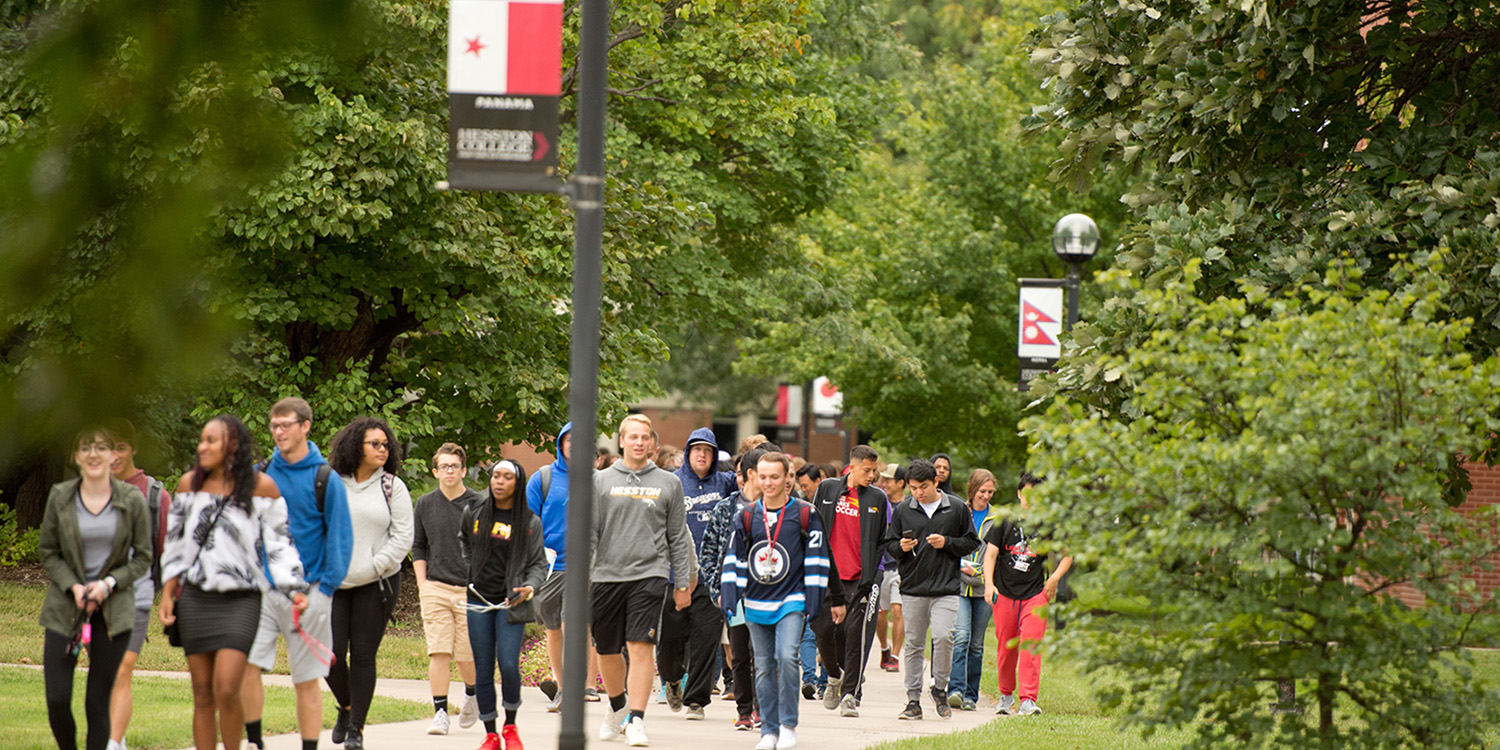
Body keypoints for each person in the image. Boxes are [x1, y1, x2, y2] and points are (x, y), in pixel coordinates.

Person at [161, 416, 308, 750]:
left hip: (242, 600)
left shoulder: (262, 488)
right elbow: (176, 545)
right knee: (202, 691)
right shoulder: (188, 486)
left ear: (233, 445)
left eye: (211, 440)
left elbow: (280, 545)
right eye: (202, 440)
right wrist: (169, 592)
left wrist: (295, 588)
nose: (203, 447)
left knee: (227, 687)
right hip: (197, 598)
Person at [243, 397, 353, 750]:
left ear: (305, 426)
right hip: (262, 590)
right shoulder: (260, 475)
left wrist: (326, 590)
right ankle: (255, 741)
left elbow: (341, 537)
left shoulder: (325, 478)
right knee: (248, 667)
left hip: (311, 591)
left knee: (305, 680)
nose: (278, 432)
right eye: (274, 426)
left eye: (286, 425)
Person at [40, 426, 152, 750]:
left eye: (101, 448)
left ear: (113, 455)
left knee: (97, 703)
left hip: (113, 614)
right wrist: (73, 586)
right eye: (85, 448)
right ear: (76, 457)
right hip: (64, 610)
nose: (93, 454)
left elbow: (143, 556)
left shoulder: (131, 499)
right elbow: (48, 552)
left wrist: (108, 584)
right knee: (58, 698)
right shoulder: (61, 497)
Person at [591, 414, 699, 747]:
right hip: (605, 576)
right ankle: (618, 706)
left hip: (649, 575)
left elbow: (678, 536)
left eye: (645, 437)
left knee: (641, 647)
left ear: (652, 442)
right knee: (606, 649)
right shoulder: (600, 481)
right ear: (621, 441)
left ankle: (636, 719)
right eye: (632, 437)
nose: (639, 442)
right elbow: (588, 534)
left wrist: (683, 580)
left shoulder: (669, 483)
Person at [720, 452, 832, 750]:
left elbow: (818, 558)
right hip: (756, 602)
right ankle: (768, 730)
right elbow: (735, 558)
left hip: (792, 599)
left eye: (775, 477)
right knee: (765, 666)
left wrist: (815, 599)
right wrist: (730, 595)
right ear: (754, 477)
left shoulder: (805, 514)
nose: (768, 482)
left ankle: (787, 725)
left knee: (786, 656)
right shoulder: (745, 515)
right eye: (763, 476)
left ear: (787, 479)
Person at [324, 417, 414, 748]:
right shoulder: (331, 483)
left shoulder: (393, 486)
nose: (382, 449)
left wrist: (375, 565)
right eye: (374, 444)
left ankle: (356, 729)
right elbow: (312, 527)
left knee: (363, 655)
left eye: (385, 445)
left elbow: (403, 536)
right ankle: (347, 706)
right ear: (354, 446)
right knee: (329, 655)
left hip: (376, 584)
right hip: (332, 582)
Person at [462, 460, 549, 750]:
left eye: (507, 477)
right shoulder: (473, 513)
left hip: (510, 604)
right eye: (496, 476)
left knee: (509, 665)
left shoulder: (529, 522)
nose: (499, 481)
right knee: (483, 668)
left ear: (517, 483)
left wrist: (531, 587)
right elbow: (463, 542)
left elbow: (538, 563)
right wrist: (469, 573)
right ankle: (490, 734)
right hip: (478, 601)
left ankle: (510, 726)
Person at [886, 459, 980, 721]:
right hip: (913, 589)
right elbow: (890, 545)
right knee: (914, 644)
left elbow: (972, 541)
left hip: (946, 588)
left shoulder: (957, 507)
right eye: (913, 488)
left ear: (936, 482)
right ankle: (913, 700)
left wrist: (947, 542)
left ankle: (939, 688)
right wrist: (900, 547)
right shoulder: (904, 509)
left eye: (923, 487)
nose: (918, 493)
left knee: (944, 637)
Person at [660, 428, 737, 720]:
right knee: (669, 639)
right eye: (697, 450)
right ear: (688, 452)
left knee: (706, 641)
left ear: (715, 454)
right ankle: (671, 678)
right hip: (673, 575)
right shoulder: (673, 482)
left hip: (711, 578)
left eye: (707, 450)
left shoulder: (727, 483)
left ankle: (696, 701)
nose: (702, 455)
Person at [105, 421, 173, 750]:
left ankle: (114, 743)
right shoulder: (86, 490)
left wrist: (170, 595)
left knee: (122, 668)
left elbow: (169, 551)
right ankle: (115, 730)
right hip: (92, 601)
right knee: (104, 672)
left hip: (138, 596)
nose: (113, 456)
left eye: (120, 447)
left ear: (133, 449)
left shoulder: (155, 495)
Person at [526, 424, 603, 711]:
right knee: (553, 626)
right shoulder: (543, 478)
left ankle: (585, 685)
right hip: (549, 565)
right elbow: (527, 522)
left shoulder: (598, 480)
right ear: (560, 444)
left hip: (585, 563)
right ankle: (560, 685)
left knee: (579, 622)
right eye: (569, 440)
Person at [808, 445, 888, 718]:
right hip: (828, 576)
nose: (872, 475)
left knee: (856, 636)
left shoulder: (877, 497)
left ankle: (851, 695)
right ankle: (833, 675)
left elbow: (881, 541)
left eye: (874, 470)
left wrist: (874, 575)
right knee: (822, 630)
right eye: (867, 470)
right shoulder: (829, 489)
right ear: (852, 466)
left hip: (861, 580)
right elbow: (814, 529)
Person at [984, 472, 1073, 716]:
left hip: (1035, 594)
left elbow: (1068, 554)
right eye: (1028, 495)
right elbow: (990, 555)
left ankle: (1028, 700)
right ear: (1019, 494)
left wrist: (1054, 578)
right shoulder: (1005, 521)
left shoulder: (1049, 524)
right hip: (1004, 593)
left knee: (1031, 646)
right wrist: (988, 585)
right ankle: (1005, 695)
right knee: (1006, 648)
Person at [413, 443, 482, 734]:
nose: (449, 471)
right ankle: (440, 712)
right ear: (435, 471)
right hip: (436, 588)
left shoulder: (479, 504)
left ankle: (471, 693)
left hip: (470, 591)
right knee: (439, 651)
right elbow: (418, 546)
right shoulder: (425, 504)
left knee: (466, 656)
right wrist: (422, 585)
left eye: (455, 466)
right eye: (444, 466)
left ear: (464, 470)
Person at [699, 448, 767, 730]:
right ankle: (744, 710)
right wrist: (717, 587)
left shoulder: (782, 508)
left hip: (769, 594)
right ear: (752, 475)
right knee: (739, 653)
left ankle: (764, 707)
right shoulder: (725, 508)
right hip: (735, 593)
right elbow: (709, 550)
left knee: (763, 654)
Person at [948, 468, 998, 711]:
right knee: (961, 638)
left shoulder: (997, 519)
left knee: (976, 645)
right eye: (982, 491)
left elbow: (998, 553)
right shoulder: (958, 512)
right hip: (958, 586)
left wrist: (982, 573)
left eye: (990, 492)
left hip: (983, 588)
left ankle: (971, 695)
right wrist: (959, 565)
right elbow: (948, 545)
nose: (986, 496)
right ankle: (955, 689)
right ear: (972, 489)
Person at [874, 464, 907, 674]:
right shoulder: (878, 502)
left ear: (900, 483)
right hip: (881, 566)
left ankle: (895, 656)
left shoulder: (910, 506)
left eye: (888, 480)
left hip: (901, 567)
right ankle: (884, 648)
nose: (883, 483)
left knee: (897, 610)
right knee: (879, 614)